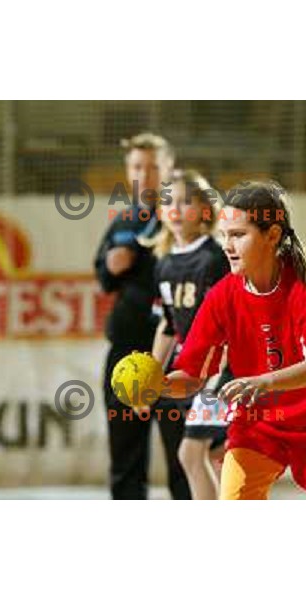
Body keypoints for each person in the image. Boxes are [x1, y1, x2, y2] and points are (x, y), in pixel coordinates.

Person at [161, 180, 306, 500]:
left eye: (239, 235)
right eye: (224, 235)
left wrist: (265, 382)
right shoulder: (222, 296)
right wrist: (157, 385)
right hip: (256, 425)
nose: (227, 245)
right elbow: (190, 374)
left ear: (272, 235)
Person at [94, 132, 191, 500]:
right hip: (127, 354)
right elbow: (103, 276)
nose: (145, 175)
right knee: (125, 464)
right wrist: (111, 264)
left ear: (170, 169)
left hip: (177, 356)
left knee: (186, 460)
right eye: (137, 167)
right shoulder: (124, 220)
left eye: (153, 167)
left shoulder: (185, 220)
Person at [143, 169, 230, 500]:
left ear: (205, 210)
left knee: (196, 454)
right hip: (188, 372)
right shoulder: (164, 264)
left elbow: (232, 320)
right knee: (206, 454)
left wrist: (221, 370)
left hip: (218, 371)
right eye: (168, 202)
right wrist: (150, 375)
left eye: (185, 201)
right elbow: (168, 324)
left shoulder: (215, 258)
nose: (175, 209)